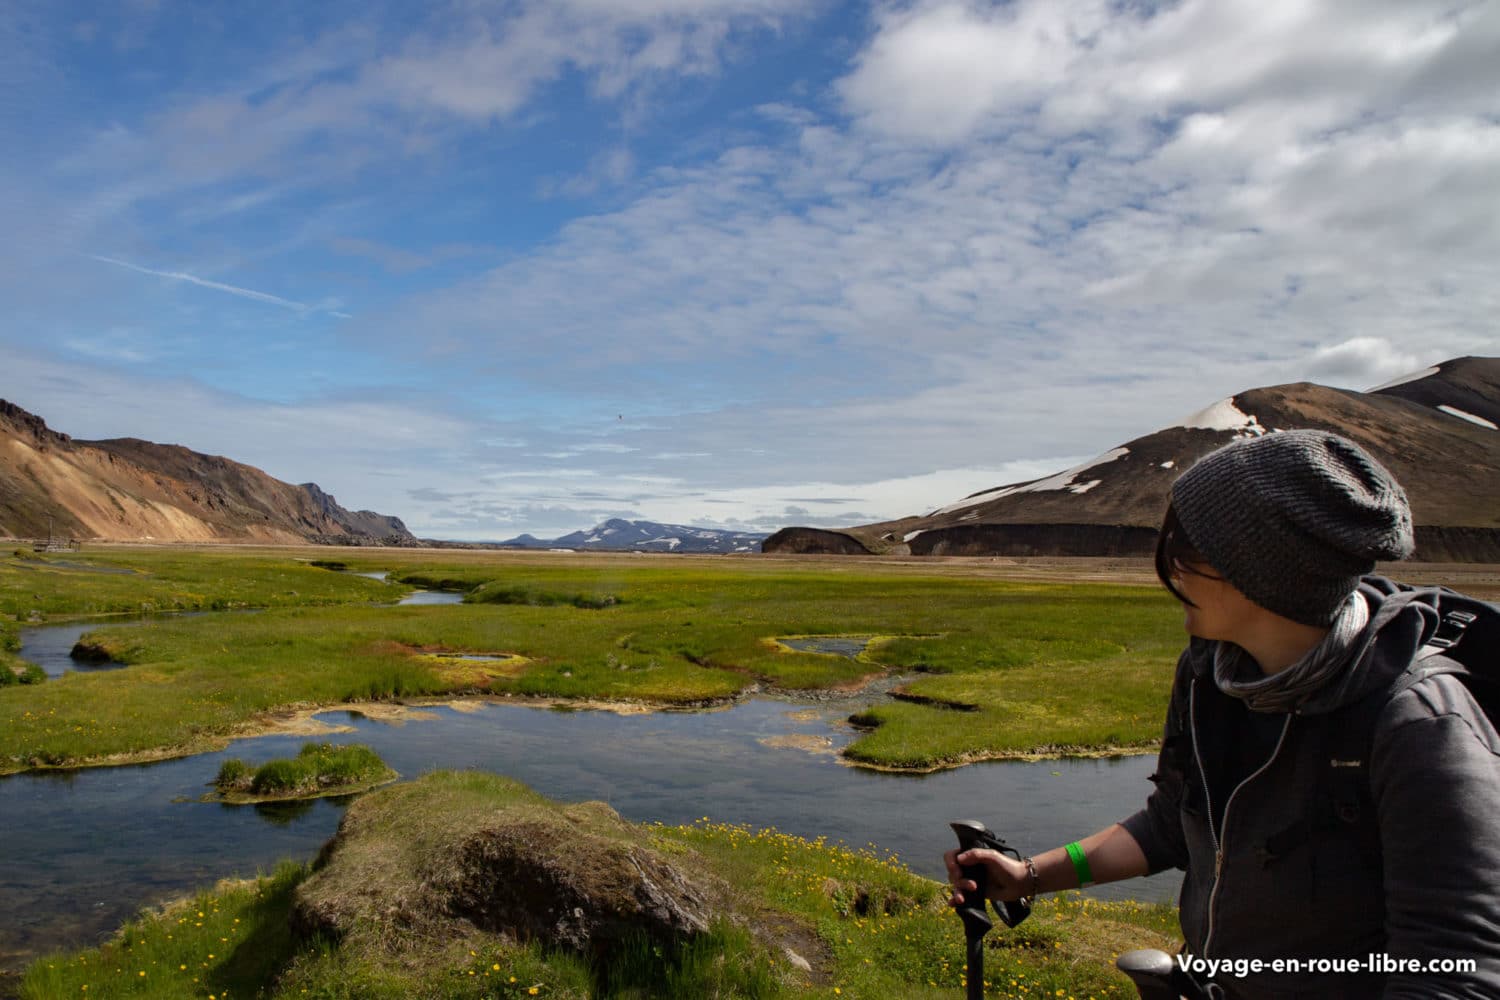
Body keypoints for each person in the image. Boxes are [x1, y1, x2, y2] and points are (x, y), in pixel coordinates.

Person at [944, 429, 1500, 999]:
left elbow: (1456, 975)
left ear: (1259, 569)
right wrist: (1030, 876)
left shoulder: (1421, 726)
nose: (1171, 571)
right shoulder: (1212, 672)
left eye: (1185, 548)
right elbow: (1174, 824)